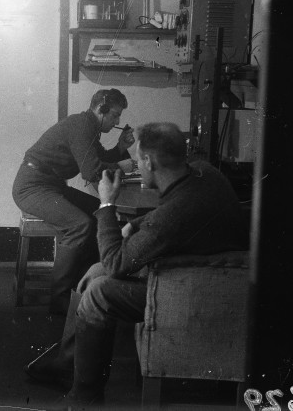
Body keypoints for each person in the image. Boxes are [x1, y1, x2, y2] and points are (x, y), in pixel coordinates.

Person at [23, 122, 249, 407]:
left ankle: (85, 397)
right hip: (208, 269)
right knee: (95, 271)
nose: (136, 166)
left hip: (188, 289)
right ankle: (66, 365)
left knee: (98, 291)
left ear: (148, 161)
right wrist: (137, 224)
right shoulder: (207, 173)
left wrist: (107, 204)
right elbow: (175, 214)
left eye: (138, 160)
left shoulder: (169, 219)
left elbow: (118, 263)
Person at [12, 88, 136, 315]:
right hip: (31, 187)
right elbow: (91, 171)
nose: (117, 121)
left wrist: (120, 149)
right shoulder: (82, 126)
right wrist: (120, 166)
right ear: (101, 108)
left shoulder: (88, 127)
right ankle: (59, 303)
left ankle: (83, 286)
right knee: (80, 225)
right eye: (115, 115)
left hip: (51, 185)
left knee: (99, 215)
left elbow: (99, 159)